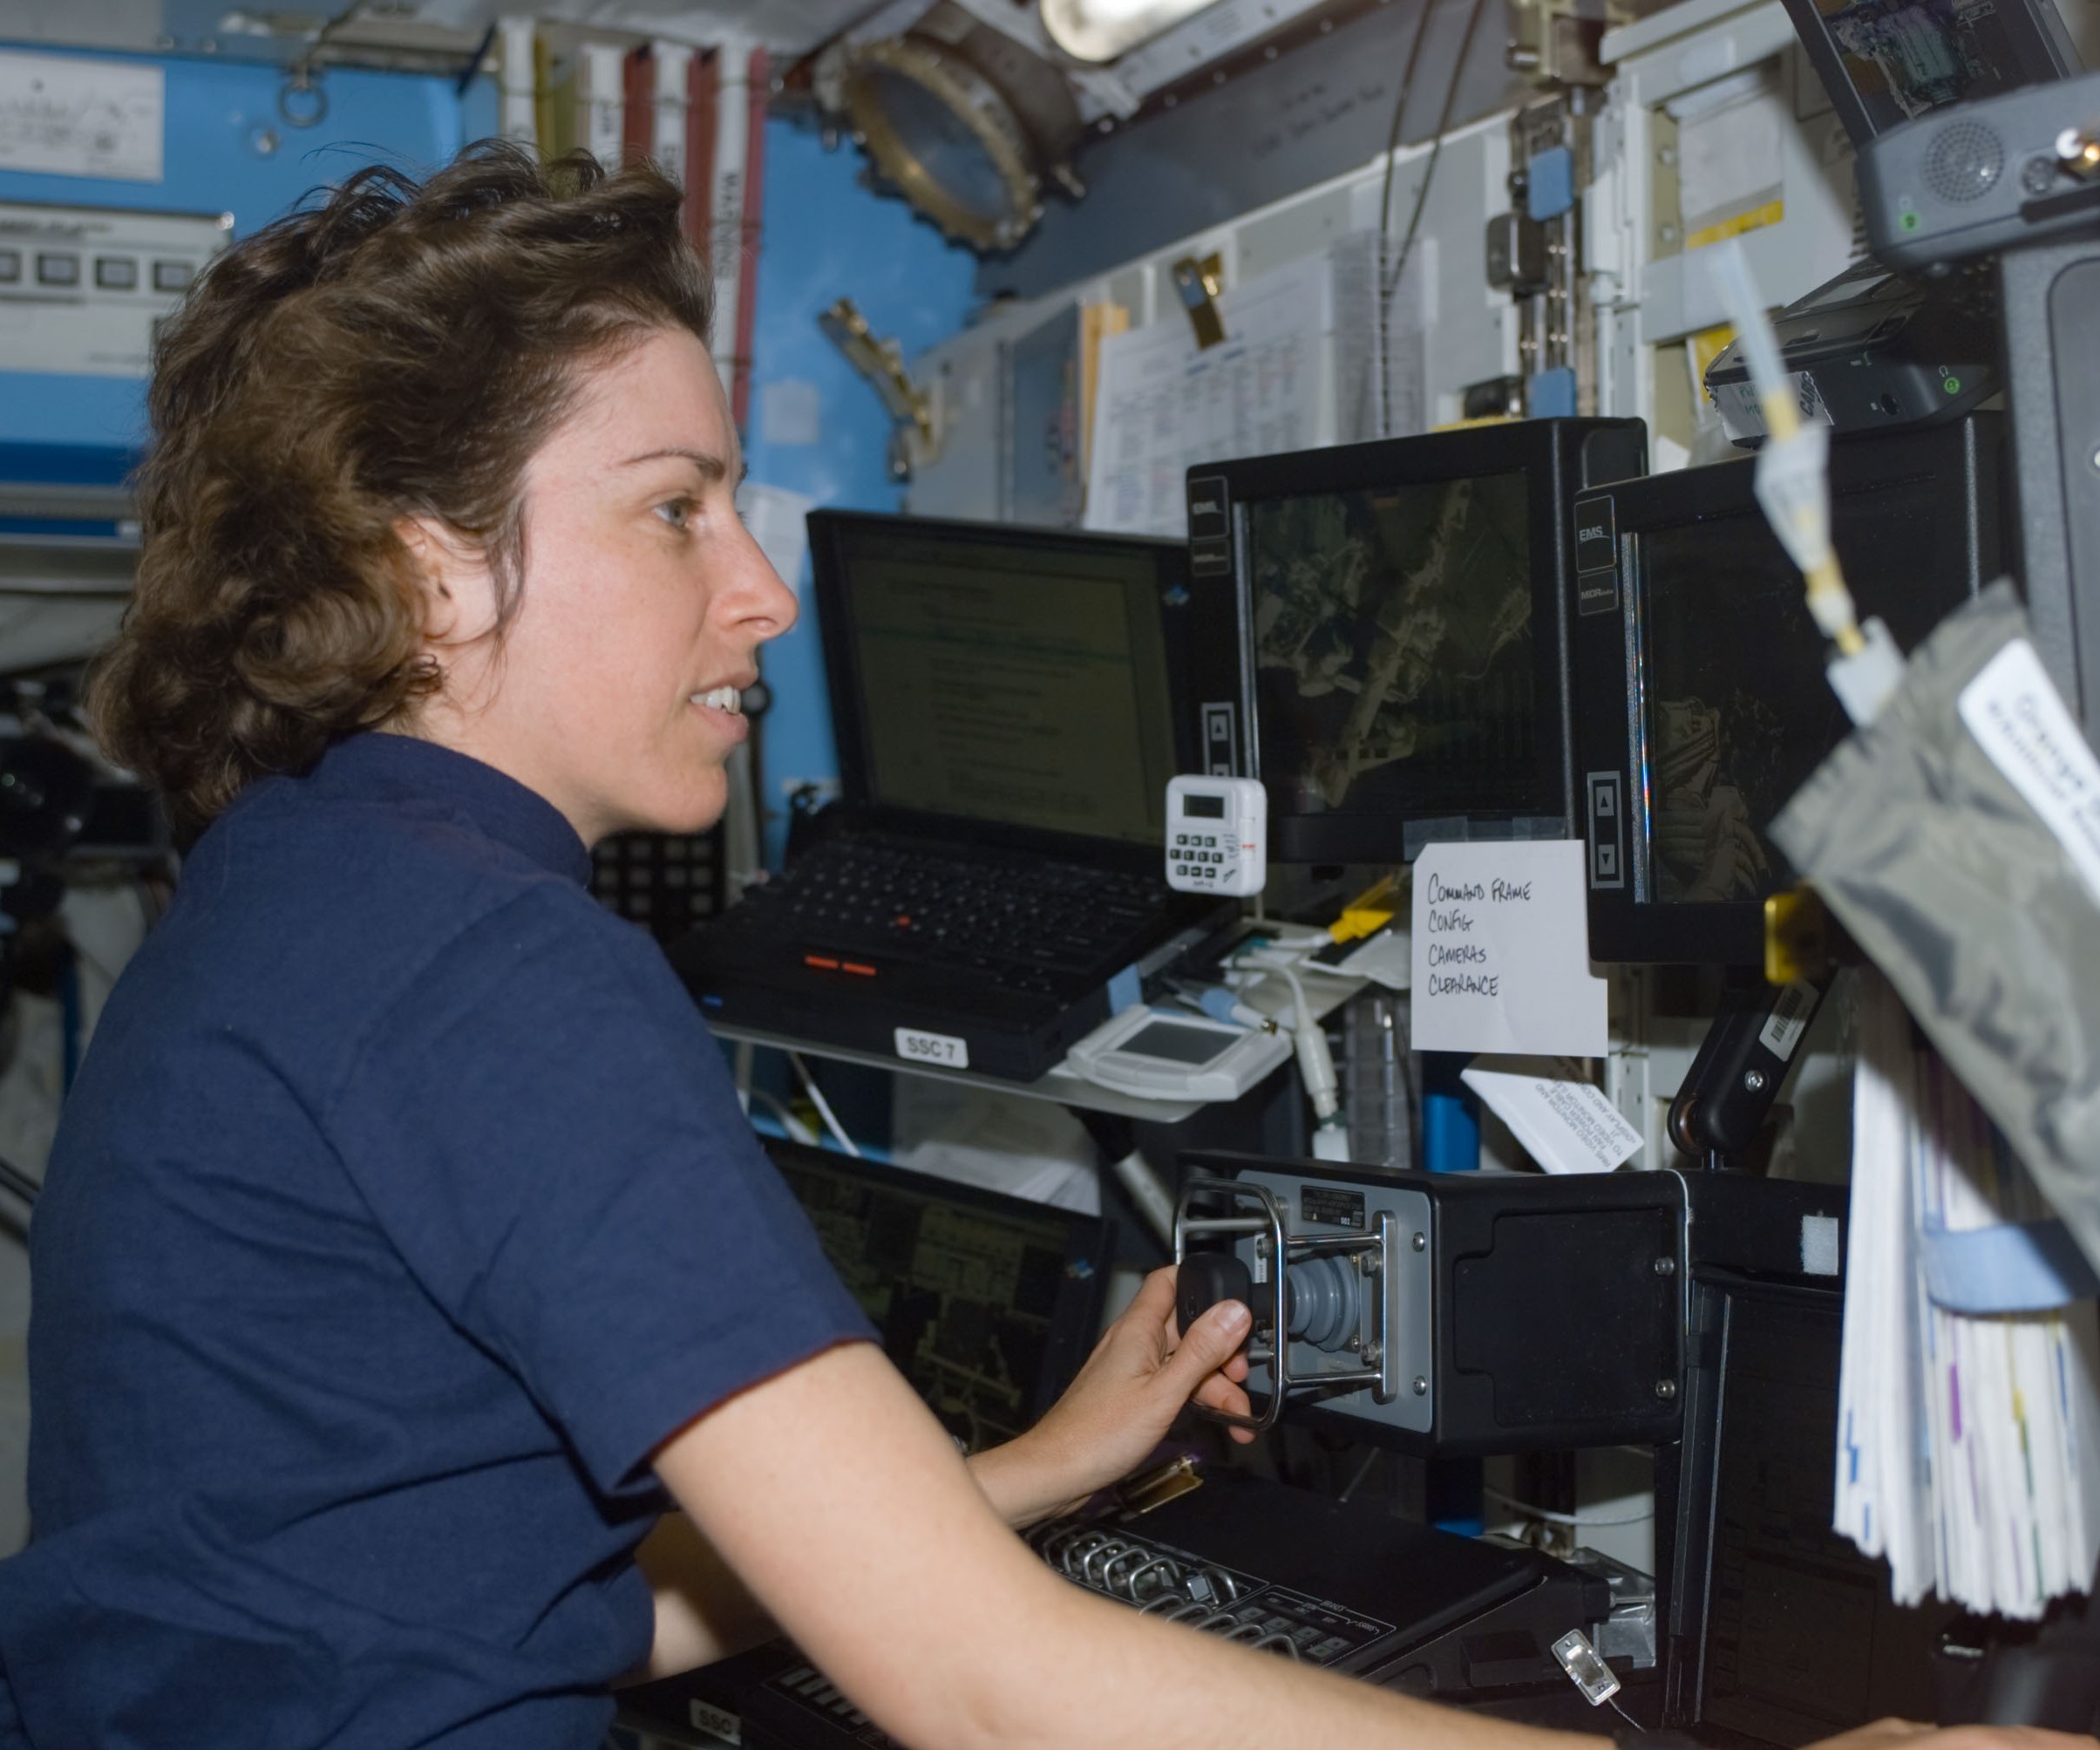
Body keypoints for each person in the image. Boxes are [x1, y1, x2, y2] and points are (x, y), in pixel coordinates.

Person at [0, 143, 2085, 1750]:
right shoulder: (486, 966)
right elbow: (984, 1693)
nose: (757, 589)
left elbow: (516, 1612)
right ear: (430, 572)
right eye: (672, 509)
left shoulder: (282, 899)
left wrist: (1016, 1472)